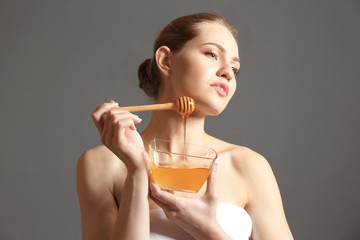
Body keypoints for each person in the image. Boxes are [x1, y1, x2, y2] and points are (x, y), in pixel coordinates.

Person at [76, 12, 294, 240]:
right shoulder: (103, 163)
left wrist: (207, 229)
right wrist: (137, 172)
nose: (227, 72)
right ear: (166, 61)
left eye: (235, 69)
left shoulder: (249, 166)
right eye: (212, 54)